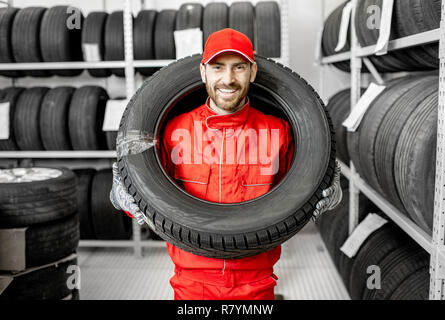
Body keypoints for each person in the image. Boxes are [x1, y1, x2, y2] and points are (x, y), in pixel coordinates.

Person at [110, 28, 342, 300]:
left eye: (239, 67)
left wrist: (328, 190)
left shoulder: (278, 132)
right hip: (191, 283)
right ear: (203, 72)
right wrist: (123, 195)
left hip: (257, 282)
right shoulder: (173, 131)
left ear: (253, 72)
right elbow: (151, 196)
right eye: (218, 67)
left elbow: (299, 194)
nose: (228, 79)